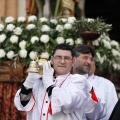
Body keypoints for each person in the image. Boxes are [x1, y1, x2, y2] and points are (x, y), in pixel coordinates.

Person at [14, 43, 105, 120]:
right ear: (52, 60)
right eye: (58, 57)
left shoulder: (78, 81)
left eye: (66, 58)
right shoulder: (39, 82)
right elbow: (22, 103)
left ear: (73, 61)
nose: (62, 61)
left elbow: (68, 103)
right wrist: (29, 82)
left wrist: (49, 83)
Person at [72, 44, 118, 120]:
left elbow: (111, 113)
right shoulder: (64, 80)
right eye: (85, 58)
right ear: (73, 60)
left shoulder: (107, 85)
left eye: (91, 59)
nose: (89, 62)